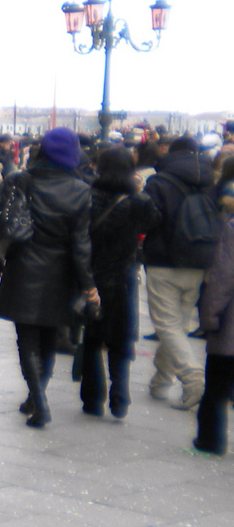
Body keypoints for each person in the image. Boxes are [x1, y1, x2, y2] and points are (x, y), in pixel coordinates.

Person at [0, 128, 98, 428]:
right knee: (50, 335)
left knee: (26, 338)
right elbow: (82, 244)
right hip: (61, 271)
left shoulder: (19, 180)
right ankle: (37, 396)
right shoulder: (80, 190)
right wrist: (87, 284)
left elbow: (4, 224)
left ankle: (38, 400)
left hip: (24, 266)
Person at [80, 146, 160, 419]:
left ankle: (92, 398)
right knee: (121, 338)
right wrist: (138, 190)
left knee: (92, 337)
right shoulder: (138, 201)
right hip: (124, 275)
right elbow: (153, 222)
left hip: (92, 274)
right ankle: (120, 396)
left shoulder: (88, 196)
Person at [141, 135, 218, 410]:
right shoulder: (209, 182)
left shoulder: (158, 182)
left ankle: (191, 374)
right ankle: (161, 381)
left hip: (164, 262)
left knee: (167, 326)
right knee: (178, 326)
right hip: (198, 261)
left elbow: (149, 219)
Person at [194, 166, 234, 454]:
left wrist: (209, 318)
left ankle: (211, 440)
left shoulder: (231, 230)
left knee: (217, 387)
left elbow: (222, 279)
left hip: (230, 328)